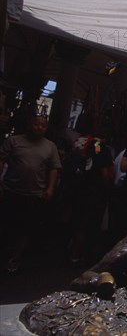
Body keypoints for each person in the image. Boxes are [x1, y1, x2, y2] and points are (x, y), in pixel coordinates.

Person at [0, 113, 62, 273]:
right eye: (36, 124)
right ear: (29, 125)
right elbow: (1, 161)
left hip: (34, 193)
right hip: (11, 190)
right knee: (7, 223)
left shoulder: (50, 146)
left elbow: (53, 169)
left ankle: (15, 257)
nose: (39, 127)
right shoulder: (14, 141)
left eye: (43, 125)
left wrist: (50, 189)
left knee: (25, 227)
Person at [61, 125, 114, 264]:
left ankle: (65, 248)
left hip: (74, 188)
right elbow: (103, 170)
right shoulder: (98, 145)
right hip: (91, 190)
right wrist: (106, 188)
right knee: (84, 223)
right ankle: (75, 254)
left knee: (73, 217)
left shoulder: (76, 142)